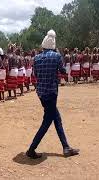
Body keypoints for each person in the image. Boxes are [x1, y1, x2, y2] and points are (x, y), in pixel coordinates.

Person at [26, 30, 79, 159]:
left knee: (57, 118)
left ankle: (66, 147)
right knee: (47, 121)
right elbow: (63, 72)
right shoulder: (56, 57)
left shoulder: (36, 58)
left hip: (41, 93)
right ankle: (31, 149)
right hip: (51, 92)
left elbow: (36, 75)